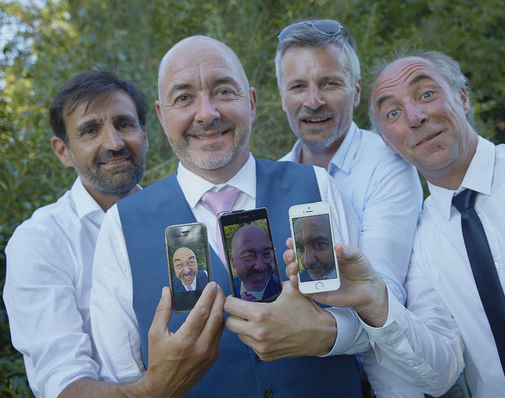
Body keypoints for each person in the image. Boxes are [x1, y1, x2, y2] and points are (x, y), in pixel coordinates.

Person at [88, 35, 391, 397]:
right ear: (160, 115)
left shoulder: (317, 186)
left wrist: (327, 332)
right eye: (184, 98)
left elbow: (376, 326)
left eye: (224, 91)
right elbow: (121, 374)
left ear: (251, 101)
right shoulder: (121, 226)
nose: (207, 113)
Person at [287, 50, 505, 398]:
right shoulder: (422, 244)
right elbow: (440, 372)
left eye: (427, 95)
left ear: (462, 98)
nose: (415, 117)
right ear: (388, 142)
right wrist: (373, 299)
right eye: (393, 112)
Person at [276, 19, 424, 397]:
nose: (313, 101)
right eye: (298, 86)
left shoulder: (388, 164)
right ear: (281, 97)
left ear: (356, 91)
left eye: (329, 83)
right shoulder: (272, 178)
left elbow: (382, 292)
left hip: (383, 382)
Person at [3, 70, 149, 397]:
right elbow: (66, 387)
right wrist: (163, 386)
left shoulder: (181, 218)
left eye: (125, 124)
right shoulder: (40, 243)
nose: (114, 143)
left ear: (145, 135)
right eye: (90, 130)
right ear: (63, 151)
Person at [230, 224, 280, 301]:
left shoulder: (280, 291)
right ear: (233, 260)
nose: (260, 266)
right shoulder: (227, 291)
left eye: (266, 254)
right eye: (248, 256)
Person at [293, 215, 336, 281]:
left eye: (319, 244)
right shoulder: (302, 279)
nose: (306, 261)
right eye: (300, 247)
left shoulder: (353, 274)